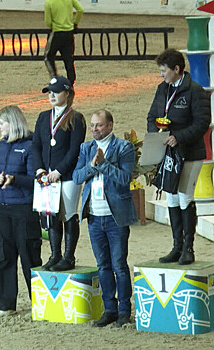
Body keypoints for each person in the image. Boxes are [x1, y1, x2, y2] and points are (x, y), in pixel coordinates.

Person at [73, 109, 138, 328]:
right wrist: (92, 166)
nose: (94, 129)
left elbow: (124, 179)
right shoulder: (86, 148)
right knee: (103, 265)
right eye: (92, 125)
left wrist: (103, 165)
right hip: (94, 215)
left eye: (99, 125)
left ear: (110, 126)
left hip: (115, 216)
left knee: (119, 265)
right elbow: (76, 176)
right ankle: (109, 309)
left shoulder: (124, 147)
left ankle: (123, 311)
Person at [147, 48, 211, 265]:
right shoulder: (162, 89)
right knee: (171, 197)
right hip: (169, 153)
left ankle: (189, 248)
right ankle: (177, 246)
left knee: (185, 196)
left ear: (176, 69)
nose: (161, 75)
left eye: (164, 71)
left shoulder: (195, 91)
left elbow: (202, 123)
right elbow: (152, 115)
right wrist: (156, 134)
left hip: (190, 153)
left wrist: (178, 137)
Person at [0, 105, 43, 316]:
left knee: (30, 258)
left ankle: (40, 304)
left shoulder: (30, 147)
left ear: (13, 123)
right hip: (1, 211)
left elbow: (35, 180)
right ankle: (5, 305)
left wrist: (14, 180)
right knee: (2, 257)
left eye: (2, 123)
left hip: (24, 212)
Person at [33, 76, 86, 271]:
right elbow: (36, 146)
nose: (52, 96)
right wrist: (40, 169)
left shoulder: (76, 118)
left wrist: (58, 171)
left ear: (67, 94)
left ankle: (69, 256)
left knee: (68, 213)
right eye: (50, 92)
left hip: (68, 175)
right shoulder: (42, 117)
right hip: (46, 178)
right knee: (51, 213)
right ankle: (55, 254)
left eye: (56, 92)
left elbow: (75, 150)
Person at [43, 0, 83, 85]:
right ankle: (71, 81)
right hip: (69, 33)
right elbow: (80, 10)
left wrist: (53, 26)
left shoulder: (49, 2)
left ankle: (54, 78)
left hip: (57, 33)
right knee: (68, 58)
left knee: (48, 56)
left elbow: (48, 22)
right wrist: (75, 23)